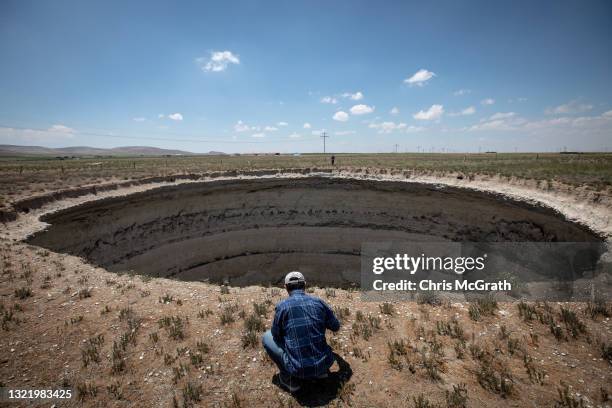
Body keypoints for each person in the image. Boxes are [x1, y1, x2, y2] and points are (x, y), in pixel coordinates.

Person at [262, 271, 340, 392]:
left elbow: (276, 335)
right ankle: (320, 372)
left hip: (298, 370)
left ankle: (290, 379)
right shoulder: (319, 302)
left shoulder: (282, 306)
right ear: (305, 285)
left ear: (286, 287)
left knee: (267, 336)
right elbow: (335, 326)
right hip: (325, 363)